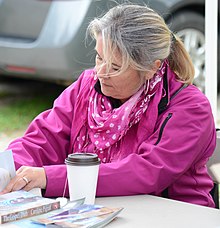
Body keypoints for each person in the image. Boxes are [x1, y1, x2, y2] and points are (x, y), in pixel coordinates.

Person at [1, 3, 216, 207]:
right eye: (99, 57)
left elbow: (146, 172)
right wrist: (9, 170)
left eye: (115, 66)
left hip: (176, 216)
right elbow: (42, 140)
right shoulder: (87, 86)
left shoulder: (190, 108)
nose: (101, 73)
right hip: (96, 211)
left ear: (152, 67)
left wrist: (48, 177)